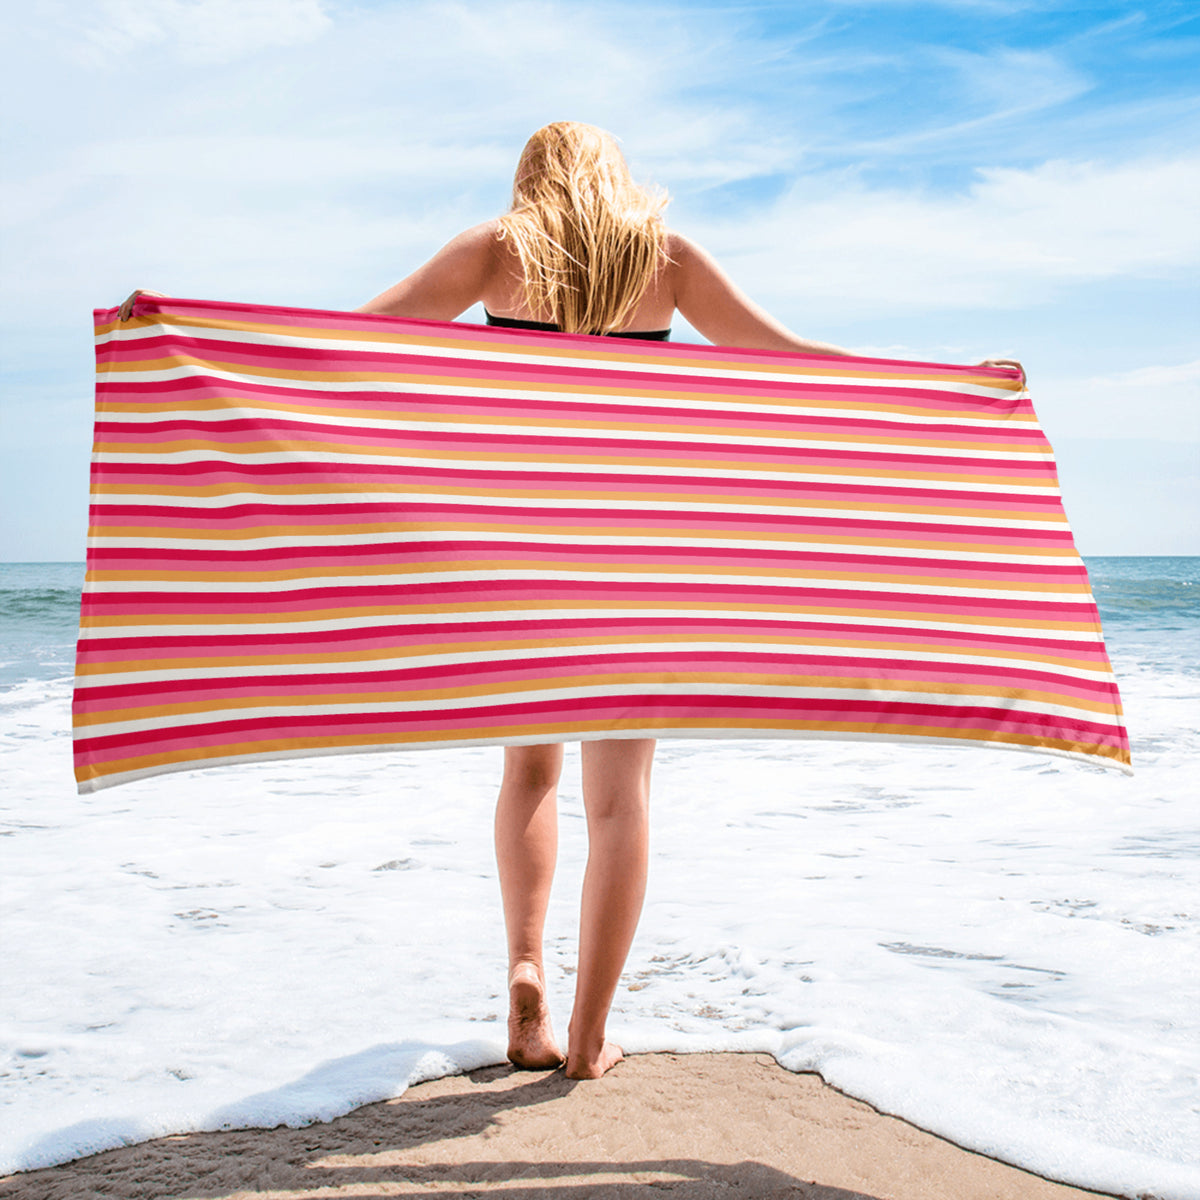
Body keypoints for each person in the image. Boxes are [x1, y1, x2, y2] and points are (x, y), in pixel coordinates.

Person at [119, 120, 1022, 1081]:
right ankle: (589, 1041)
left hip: (516, 554)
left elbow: (349, 341)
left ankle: (523, 970)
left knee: (530, 776)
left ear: (531, 179)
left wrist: (184, 336)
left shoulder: (497, 249)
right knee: (622, 804)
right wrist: (948, 389)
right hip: (633, 555)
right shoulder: (665, 257)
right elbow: (791, 358)